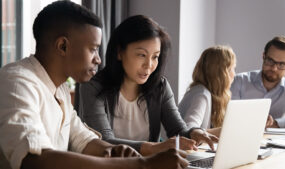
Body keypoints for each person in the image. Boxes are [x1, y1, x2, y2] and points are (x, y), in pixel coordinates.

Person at [0, 1, 189, 169]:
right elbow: (34, 160)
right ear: (62, 46)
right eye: (93, 49)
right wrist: (143, 164)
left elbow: (83, 140)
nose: (98, 59)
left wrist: (116, 152)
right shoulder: (18, 83)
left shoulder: (60, 89)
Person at [78, 15, 218, 156]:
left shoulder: (160, 87)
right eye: (141, 55)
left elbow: (178, 130)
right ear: (119, 52)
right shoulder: (93, 87)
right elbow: (104, 142)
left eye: (155, 56)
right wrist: (154, 148)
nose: (149, 65)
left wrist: (195, 132)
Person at [231, 36, 285, 128]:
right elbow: (229, 117)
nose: (274, 68)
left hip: (278, 141)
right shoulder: (239, 81)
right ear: (263, 56)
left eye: (282, 64)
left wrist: (275, 123)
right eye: (270, 61)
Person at [179, 46, 236, 132]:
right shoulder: (201, 94)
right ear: (221, 73)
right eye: (232, 69)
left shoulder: (210, 94)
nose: (234, 74)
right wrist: (224, 131)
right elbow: (189, 129)